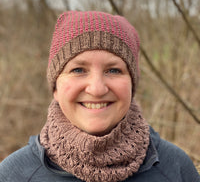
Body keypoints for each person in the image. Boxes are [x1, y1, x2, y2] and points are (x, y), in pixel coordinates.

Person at [0, 11, 199, 182]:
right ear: (55, 88)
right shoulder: (14, 175)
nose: (97, 89)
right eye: (78, 70)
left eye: (113, 70)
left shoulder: (175, 169)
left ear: (132, 85)